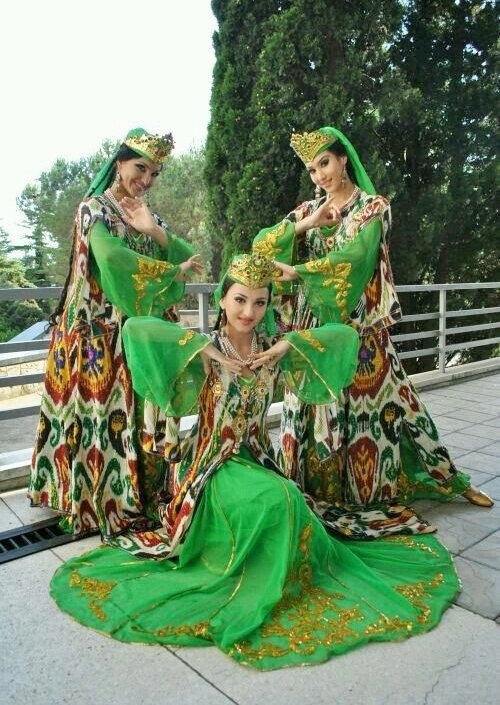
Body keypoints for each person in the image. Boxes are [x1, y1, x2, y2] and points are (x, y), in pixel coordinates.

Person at [50, 253, 460, 670]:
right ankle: (252, 574)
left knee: (288, 498)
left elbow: (343, 335)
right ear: (222, 299)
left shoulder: (273, 350)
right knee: (272, 501)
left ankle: (281, 575)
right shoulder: (204, 347)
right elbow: (136, 328)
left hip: (258, 457)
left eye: (260, 302)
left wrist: (290, 344)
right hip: (210, 465)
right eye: (240, 300)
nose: (249, 312)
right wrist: (203, 349)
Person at [252, 125, 493, 539]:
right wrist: (307, 224)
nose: (320, 176)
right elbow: (262, 246)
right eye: (312, 170)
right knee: (313, 405)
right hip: (314, 328)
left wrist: (301, 271)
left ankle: (443, 477)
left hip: (360, 327)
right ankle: (315, 489)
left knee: (393, 400)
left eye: (325, 163)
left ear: (343, 158)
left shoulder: (372, 208)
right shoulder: (309, 208)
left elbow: (358, 259)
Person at [29, 127, 202, 539]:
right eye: (140, 168)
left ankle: (142, 494)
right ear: (119, 163)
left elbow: (188, 257)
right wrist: (170, 270)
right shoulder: (93, 210)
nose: (146, 179)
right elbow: (111, 259)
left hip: (138, 334)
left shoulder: (144, 212)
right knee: (99, 413)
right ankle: (97, 498)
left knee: (139, 412)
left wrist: (154, 231)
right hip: (97, 333)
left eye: (154, 173)